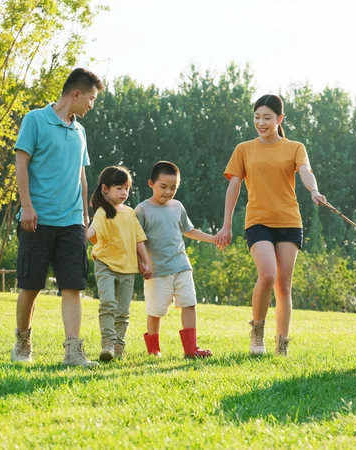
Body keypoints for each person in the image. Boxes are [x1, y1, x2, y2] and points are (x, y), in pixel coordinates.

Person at [214, 94, 326, 356]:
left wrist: (314, 191)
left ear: (279, 119)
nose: (261, 122)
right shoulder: (244, 149)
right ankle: (257, 334)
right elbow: (233, 186)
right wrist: (226, 225)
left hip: (288, 221)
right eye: (257, 117)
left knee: (283, 285)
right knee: (267, 274)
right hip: (258, 221)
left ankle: (282, 344)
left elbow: (306, 171)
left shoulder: (294, 147)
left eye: (267, 117)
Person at [11, 68, 104, 367]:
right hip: (36, 219)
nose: (91, 104)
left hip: (72, 222)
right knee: (31, 286)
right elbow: (21, 164)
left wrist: (85, 216)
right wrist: (27, 206)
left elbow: (81, 175)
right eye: (90, 98)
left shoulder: (81, 131)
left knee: (73, 286)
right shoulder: (35, 119)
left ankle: (73, 351)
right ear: (76, 94)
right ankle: (23, 339)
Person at [135, 161, 217, 358]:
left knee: (189, 303)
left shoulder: (177, 207)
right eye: (163, 187)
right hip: (157, 270)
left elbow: (188, 230)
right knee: (156, 311)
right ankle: (153, 350)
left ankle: (191, 349)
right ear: (151, 184)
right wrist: (141, 263)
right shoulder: (142, 210)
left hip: (181, 265)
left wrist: (212, 239)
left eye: (173, 188)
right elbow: (136, 240)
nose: (168, 192)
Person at [86, 166, 150, 362]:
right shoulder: (101, 213)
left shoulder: (130, 213)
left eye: (126, 188)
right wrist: (79, 239)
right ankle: (107, 343)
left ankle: (119, 346)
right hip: (105, 264)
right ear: (105, 189)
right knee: (108, 303)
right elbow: (91, 231)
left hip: (128, 268)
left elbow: (139, 239)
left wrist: (145, 261)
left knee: (123, 311)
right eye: (119, 188)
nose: (124, 193)